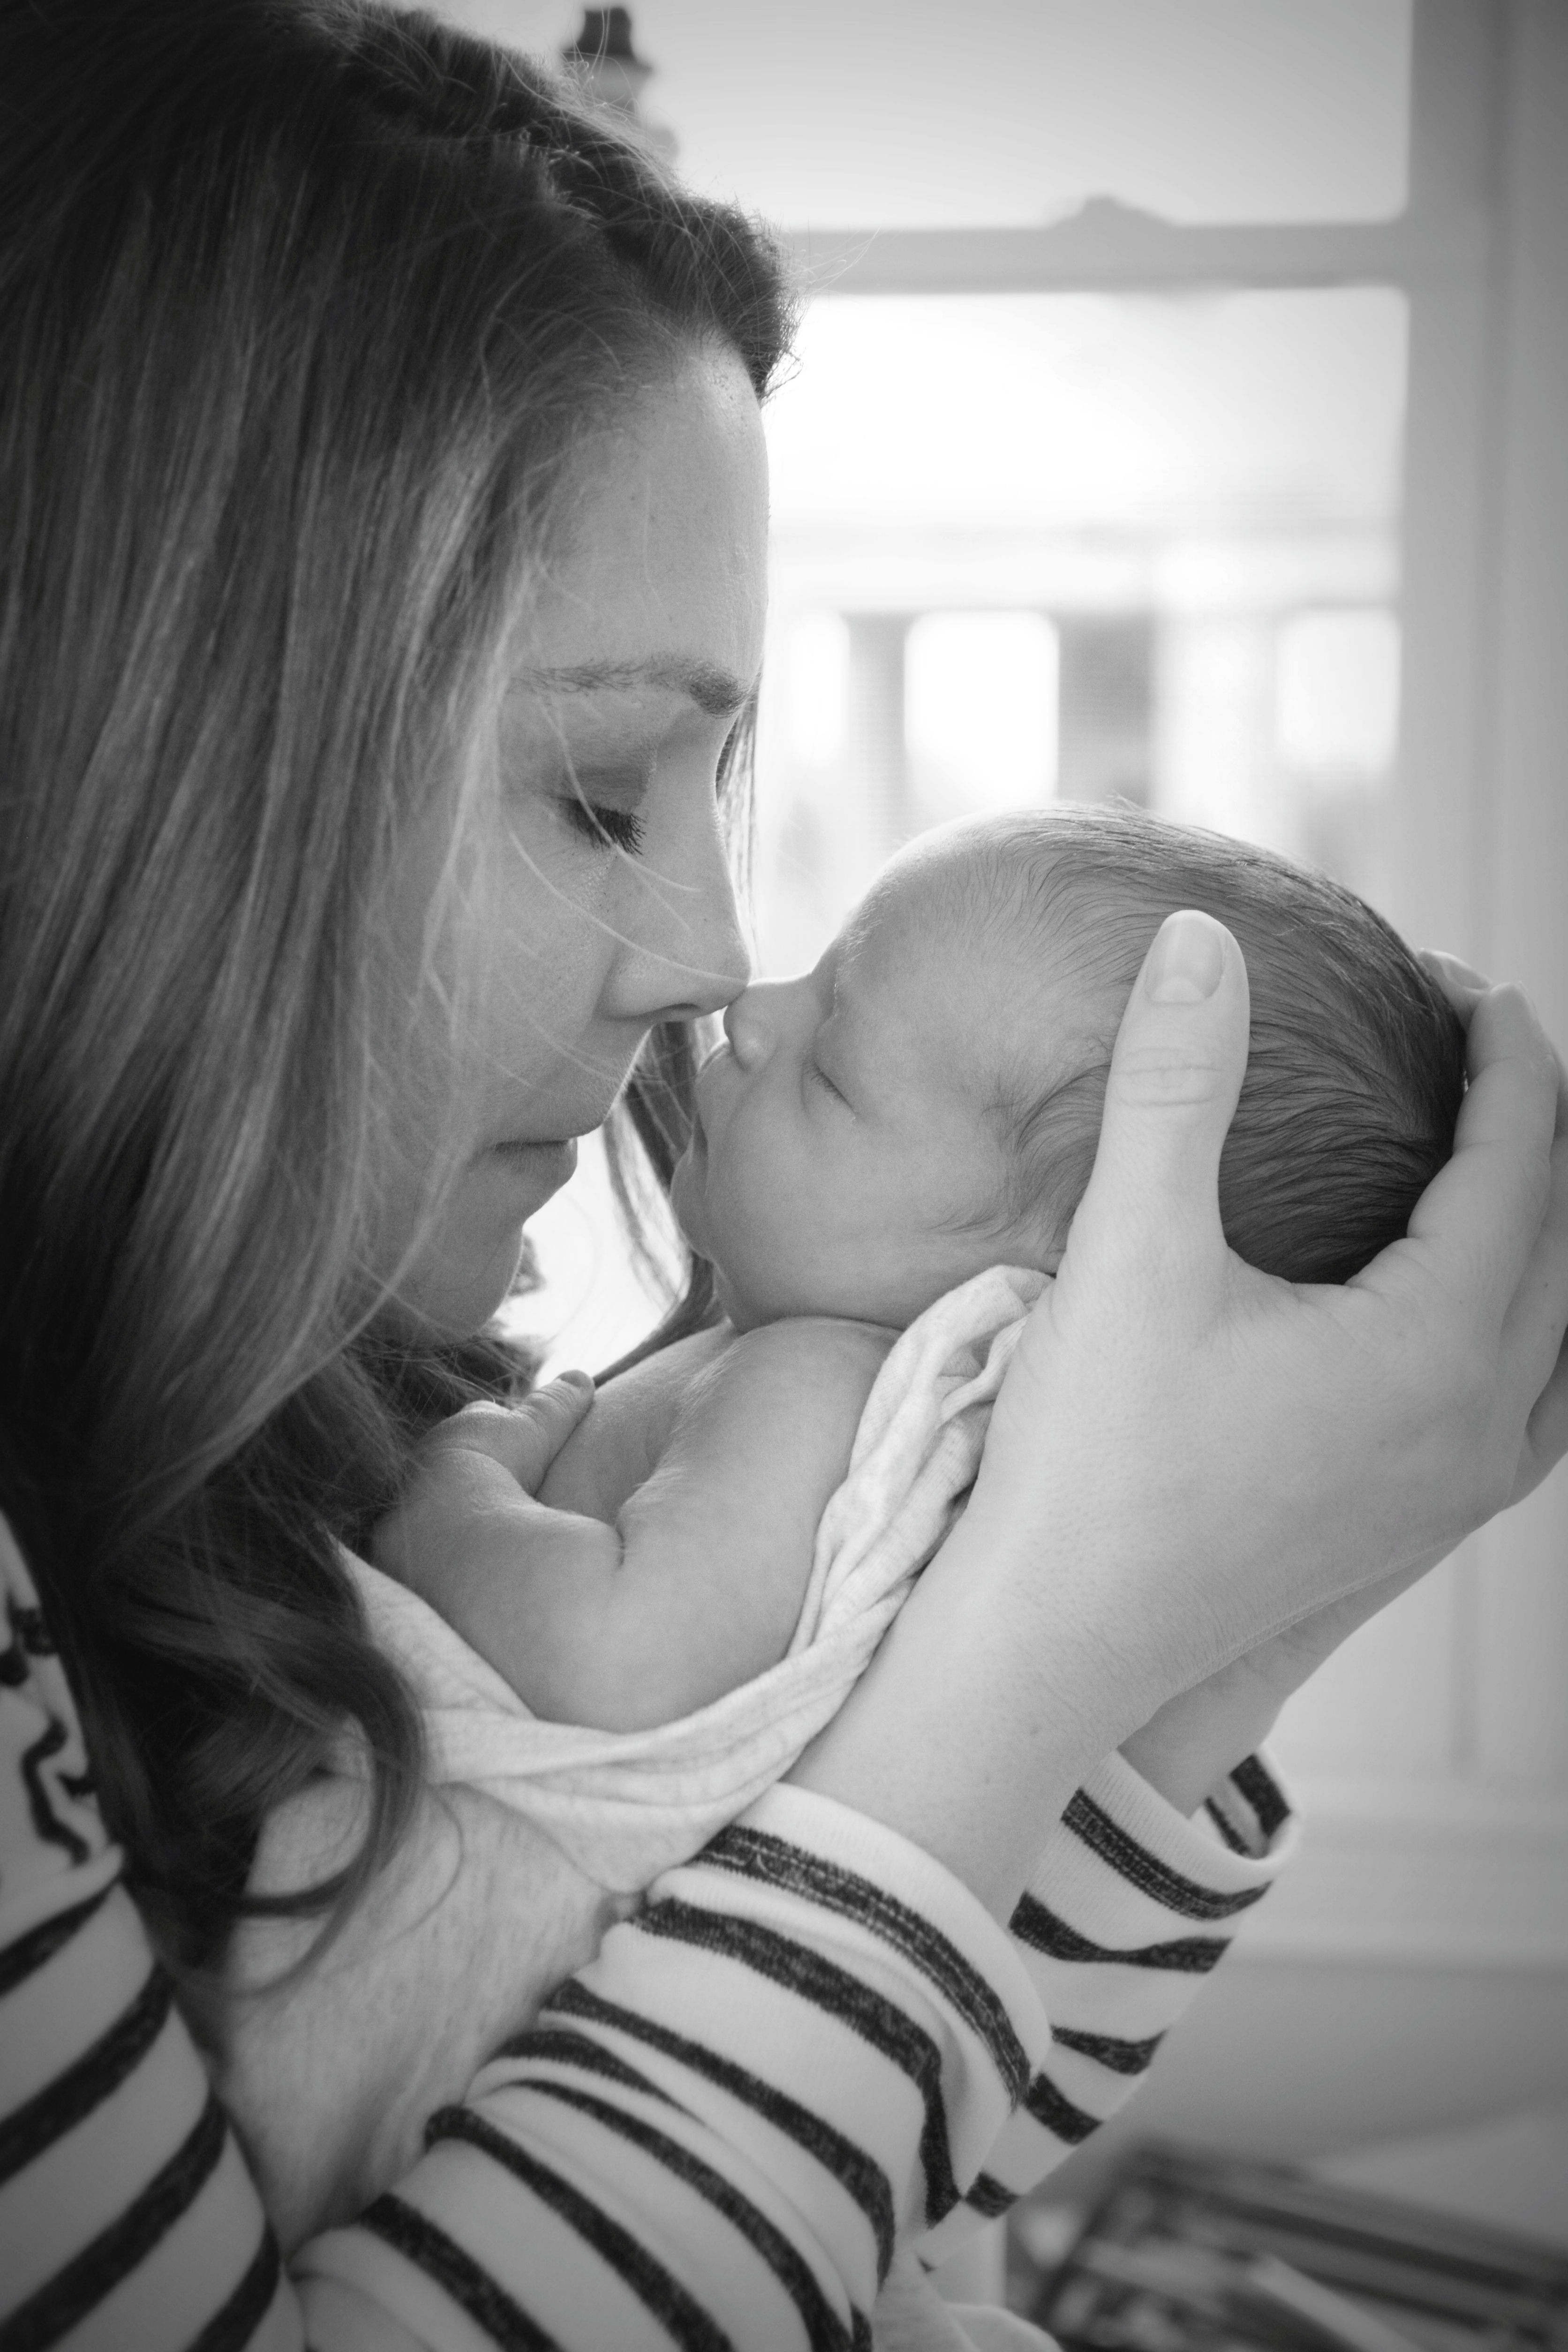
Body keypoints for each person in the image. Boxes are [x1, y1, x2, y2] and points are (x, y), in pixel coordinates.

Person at [1, 5, 1565, 2348]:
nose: (710, 960)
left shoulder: (330, 1404)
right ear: (151, 747)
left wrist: (1227, 1620)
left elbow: (859, 2174)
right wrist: (1031, 1658)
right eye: (599, 784)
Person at [371, 806, 1467, 1736]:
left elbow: (620, 1675)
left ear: (1078, 1279)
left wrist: (451, 1501)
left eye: (832, 1071)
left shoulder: (814, 1386)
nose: (747, 1013)